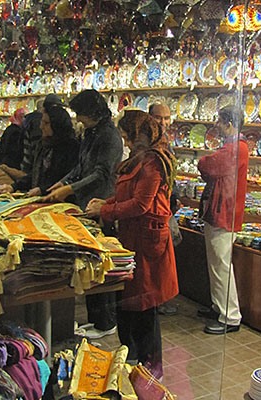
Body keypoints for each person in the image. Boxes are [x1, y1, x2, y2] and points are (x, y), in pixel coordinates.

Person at [85, 110, 179, 379]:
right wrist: (106, 204)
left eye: (127, 137)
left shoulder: (152, 163)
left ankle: (150, 366)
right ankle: (134, 359)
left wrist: (105, 211)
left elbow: (140, 204)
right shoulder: (140, 159)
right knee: (129, 303)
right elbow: (128, 194)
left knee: (144, 305)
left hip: (147, 242)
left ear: (139, 135)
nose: (125, 143)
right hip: (133, 238)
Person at [42, 89, 123, 340]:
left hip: (101, 204)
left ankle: (106, 321)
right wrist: (63, 183)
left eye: (81, 114)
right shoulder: (92, 132)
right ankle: (96, 319)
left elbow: (101, 173)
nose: (78, 119)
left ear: (92, 112)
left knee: (101, 263)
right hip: (86, 204)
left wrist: (69, 188)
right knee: (91, 263)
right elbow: (81, 166)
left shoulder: (109, 136)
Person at [197, 106, 249, 335]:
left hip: (224, 214)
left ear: (228, 123)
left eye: (219, 121)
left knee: (221, 266)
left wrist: (205, 161)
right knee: (216, 264)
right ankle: (219, 308)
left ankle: (230, 316)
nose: (216, 125)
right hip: (221, 212)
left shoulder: (235, 149)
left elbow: (207, 165)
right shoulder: (234, 147)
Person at [0, 100, 79, 197]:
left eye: (46, 123)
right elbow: (35, 174)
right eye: (42, 122)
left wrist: (42, 190)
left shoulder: (71, 148)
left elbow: (67, 178)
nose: (41, 127)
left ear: (57, 125)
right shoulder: (43, 145)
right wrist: (14, 187)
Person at [149, 102, 180, 316]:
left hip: (166, 205)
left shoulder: (166, 142)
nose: (163, 122)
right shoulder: (151, 144)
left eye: (167, 118)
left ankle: (160, 297)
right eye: (159, 118)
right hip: (157, 207)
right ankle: (156, 299)